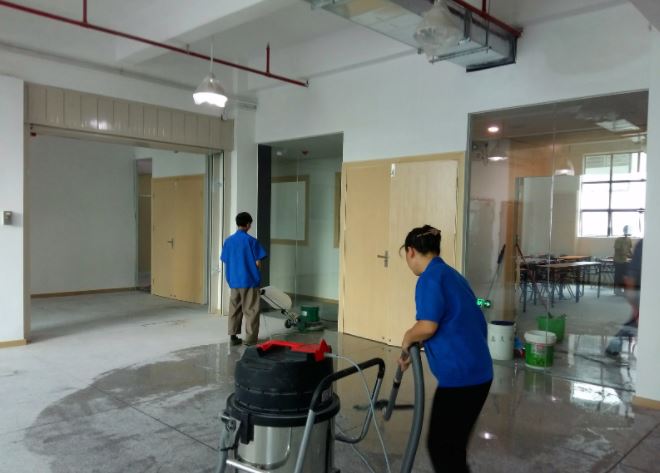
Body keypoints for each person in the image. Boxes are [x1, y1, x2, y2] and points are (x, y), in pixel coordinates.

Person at [398, 225, 493, 473]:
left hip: (462, 377)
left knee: (441, 448)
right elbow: (451, 320)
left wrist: (408, 337)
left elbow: (428, 326)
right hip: (479, 370)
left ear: (410, 251)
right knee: (453, 448)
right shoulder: (452, 275)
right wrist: (415, 347)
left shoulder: (428, 278)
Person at [220, 212, 267, 346]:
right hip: (249, 281)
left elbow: (225, 259)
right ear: (248, 224)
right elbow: (258, 262)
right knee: (251, 310)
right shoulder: (251, 241)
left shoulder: (228, 241)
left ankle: (233, 337)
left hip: (234, 281)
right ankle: (250, 339)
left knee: (235, 309)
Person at [606, 239, 643, 357]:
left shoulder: (634, 242)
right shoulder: (643, 244)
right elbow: (631, 274)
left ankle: (613, 346)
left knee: (635, 323)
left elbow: (630, 253)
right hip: (641, 291)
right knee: (635, 322)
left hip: (644, 290)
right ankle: (614, 345)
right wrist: (632, 297)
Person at [613, 225, 633, 295]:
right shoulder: (618, 240)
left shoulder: (629, 240)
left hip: (625, 261)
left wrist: (633, 256)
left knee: (625, 276)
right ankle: (617, 291)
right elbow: (617, 250)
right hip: (618, 261)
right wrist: (626, 255)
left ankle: (625, 290)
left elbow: (629, 250)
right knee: (618, 276)